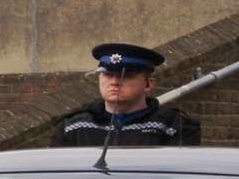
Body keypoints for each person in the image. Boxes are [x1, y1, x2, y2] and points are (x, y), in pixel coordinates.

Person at [49, 42, 201, 147]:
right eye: (108, 75)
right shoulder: (72, 126)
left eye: (126, 76)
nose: (115, 82)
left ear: (148, 84)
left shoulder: (174, 125)